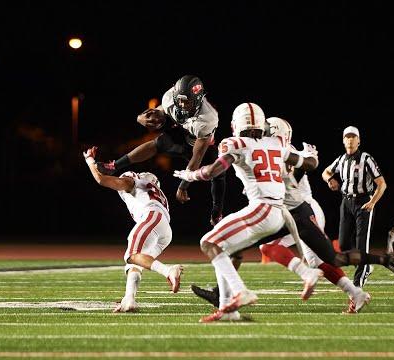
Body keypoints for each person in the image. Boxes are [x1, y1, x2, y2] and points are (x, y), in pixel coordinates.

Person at [190, 117, 394, 314]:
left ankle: (232, 293)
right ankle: (359, 289)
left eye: (264, 131)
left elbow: (301, 168)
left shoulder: (277, 150)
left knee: (269, 248)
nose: (258, 134)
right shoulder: (274, 148)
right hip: (286, 212)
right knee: (328, 259)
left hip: (299, 211)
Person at [174, 103, 324, 322]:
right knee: (224, 248)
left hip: (263, 208)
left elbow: (213, 171)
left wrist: (190, 176)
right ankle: (228, 309)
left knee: (208, 243)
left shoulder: (235, 144)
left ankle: (240, 291)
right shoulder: (276, 142)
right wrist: (310, 153)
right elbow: (309, 164)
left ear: (237, 124)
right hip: (277, 211)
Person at [97, 75, 226, 226]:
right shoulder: (169, 98)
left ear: (198, 99)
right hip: (182, 134)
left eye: (187, 101)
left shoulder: (208, 117)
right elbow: (151, 114)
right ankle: (114, 166)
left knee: (218, 173)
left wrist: (183, 186)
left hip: (200, 146)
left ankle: (217, 211)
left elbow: (197, 156)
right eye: (180, 100)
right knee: (158, 143)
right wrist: (142, 118)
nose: (182, 105)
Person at [83, 145, 183, 312]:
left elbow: (101, 180)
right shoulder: (155, 191)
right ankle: (129, 300)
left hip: (151, 217)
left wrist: (89, 160)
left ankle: (168, 270)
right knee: (135, 262)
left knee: (131, 255)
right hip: (164, 229)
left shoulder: (133, 181)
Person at [322, 126, 387, 288]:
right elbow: (325, 172)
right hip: (346, 202)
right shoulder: (341, 159)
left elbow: (382, 184)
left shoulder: (366, 158)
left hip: (364, 202)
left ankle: (358, 284)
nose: (350, 140)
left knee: (361, 244)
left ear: (359, 140)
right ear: (343, 141)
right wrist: (330, 180)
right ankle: (366, 264)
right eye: (347, 137)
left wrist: (372, 202)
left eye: (353, 137)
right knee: (343, 244)